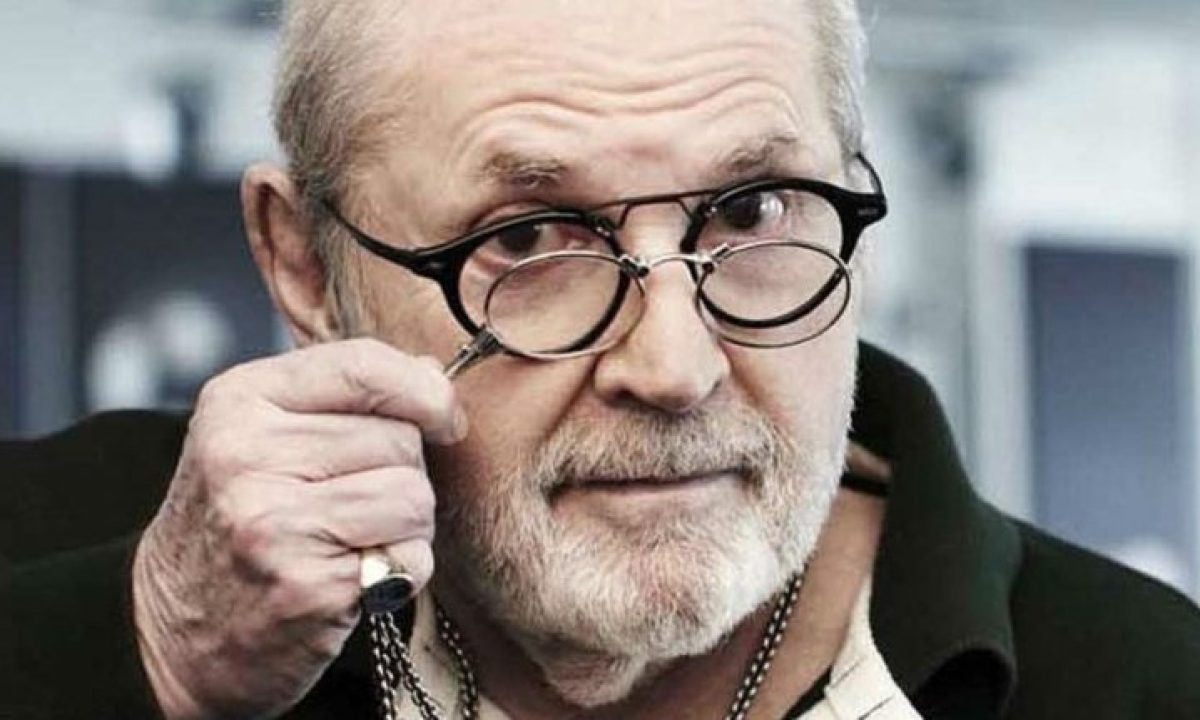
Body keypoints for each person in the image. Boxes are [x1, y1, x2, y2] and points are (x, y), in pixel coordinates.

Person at [3, 1, 1200, 718]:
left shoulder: (1147, 683)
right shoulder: (46, 550)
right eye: (531, 238)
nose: (675, 367)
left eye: (752, 211)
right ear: (306, 267)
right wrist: (147, 659)